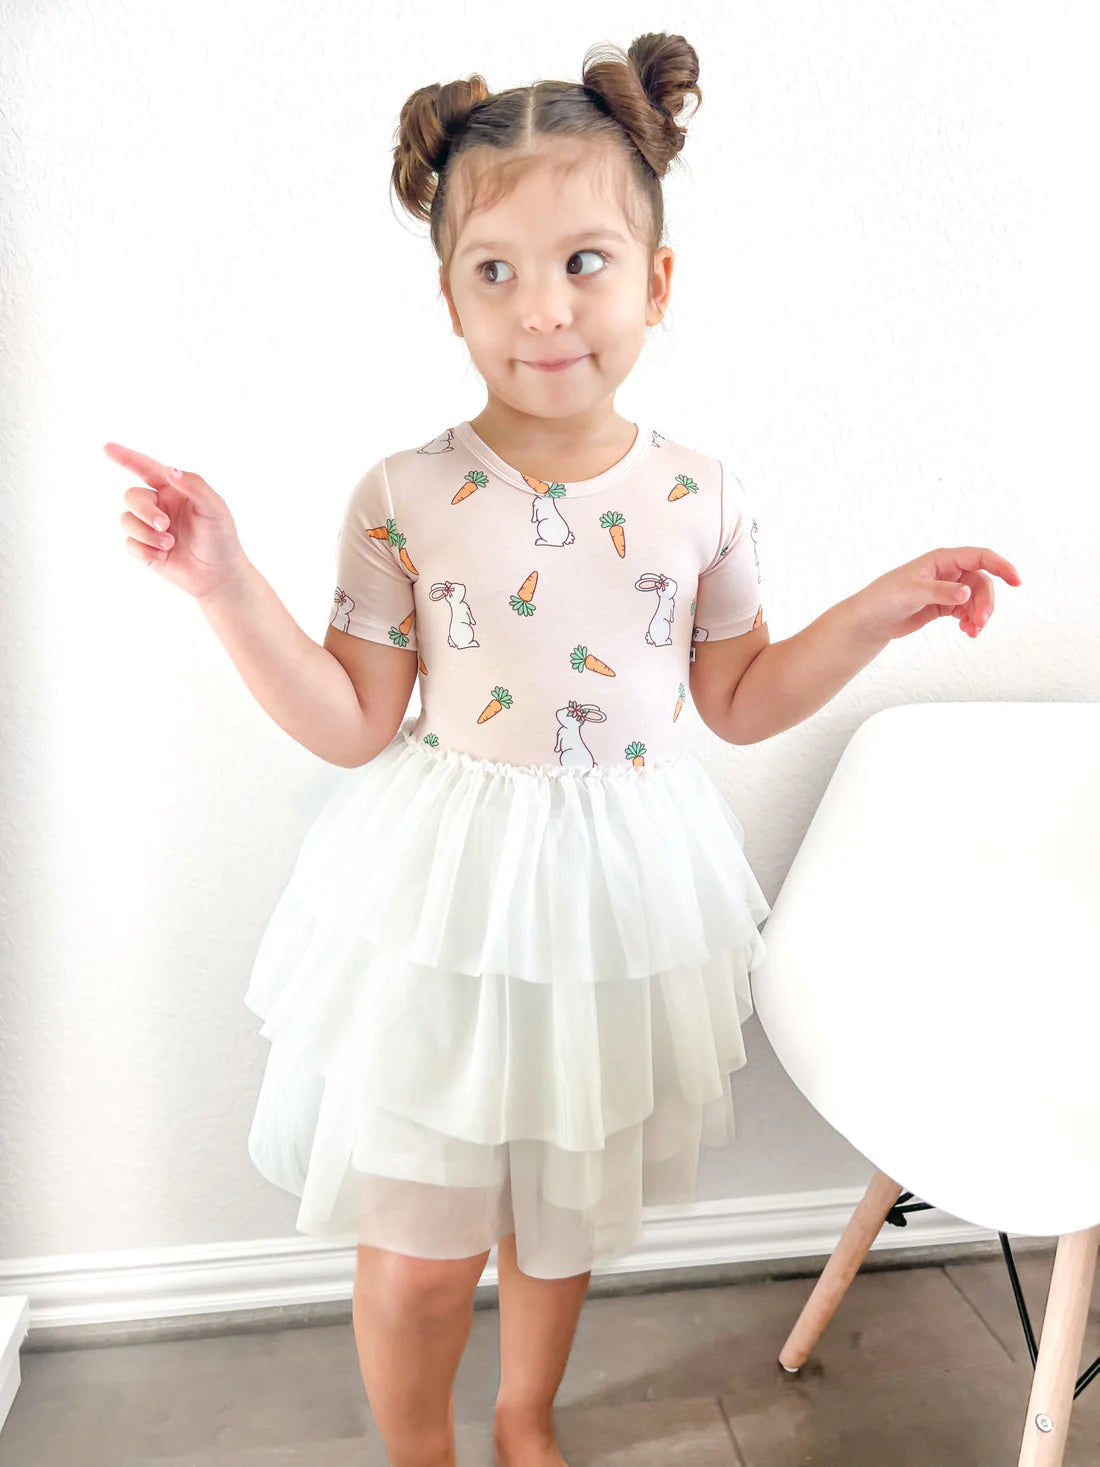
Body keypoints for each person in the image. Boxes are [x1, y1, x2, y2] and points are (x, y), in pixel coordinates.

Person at [106, 32, 1021, 1467]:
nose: (544, 309)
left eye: (585, 262)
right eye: (496, 271)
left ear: (657, 283)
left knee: (558, 1207)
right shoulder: (405, 493)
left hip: (621, 890)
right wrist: (225, 581)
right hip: (447, 898)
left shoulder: (700, 493)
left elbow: (740, 697)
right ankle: (423, 1451)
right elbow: (350, 720)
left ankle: (527, 1415)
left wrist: (880, 610)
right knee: (419, 1246)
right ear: (451, 300)